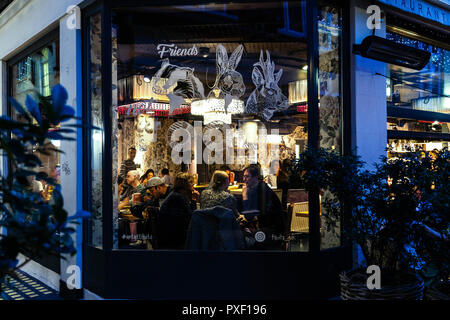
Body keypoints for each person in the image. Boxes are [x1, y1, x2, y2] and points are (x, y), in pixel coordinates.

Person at [241, 164, 286, 248]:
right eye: (243, 176)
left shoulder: (262, 190)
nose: (244, 179)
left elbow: (252, 216)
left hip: (274, 232)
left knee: (243, 238)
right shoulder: (258, 187)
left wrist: (245, 196)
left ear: (255, 177)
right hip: (267, 227)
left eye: (247, 177)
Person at [156, 173, 200, 249]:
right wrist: (193, 201)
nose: (193, 184)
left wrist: (193, 200)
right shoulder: (177, 197)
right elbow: (191, 218)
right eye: (191, 182)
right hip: (173, 241)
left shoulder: (176, 195)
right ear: (184, 185)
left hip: (171, 238)